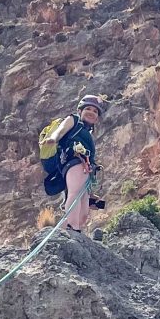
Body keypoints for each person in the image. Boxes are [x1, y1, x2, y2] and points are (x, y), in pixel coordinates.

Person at [61, 94, 105, 231]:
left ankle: (69, 229)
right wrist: (52, 138)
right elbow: (60, 132)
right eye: (88, 109)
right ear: (80, 111)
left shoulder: (87, 135)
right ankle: (73, 228)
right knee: (75, 194)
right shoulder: (74, 122)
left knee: (84, 211)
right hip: (74, 163)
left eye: (95, 111)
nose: (92, 112)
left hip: (85, 168)